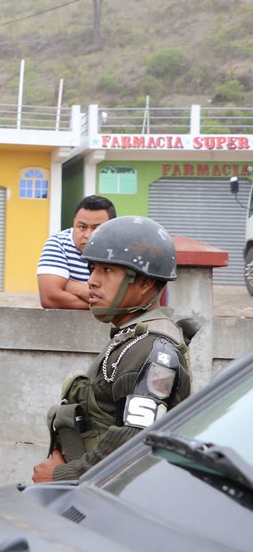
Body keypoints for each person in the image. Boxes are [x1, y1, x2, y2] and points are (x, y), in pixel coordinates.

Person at [33, 216, 194, 483]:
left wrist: (63, 475)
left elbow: (136, 440)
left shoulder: (154, 350)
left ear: (144, 283)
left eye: (107, 271)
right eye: (93, 268)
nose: (92, 281)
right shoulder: (130, 338)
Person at [37, 195, 116, 309]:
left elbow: (126, 299)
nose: (88, 235)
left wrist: (69, 285)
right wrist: (104, 306)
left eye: (96, 228)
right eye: (82, 227)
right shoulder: (59, 243)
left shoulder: (121, 248)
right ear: (74, 223)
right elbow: (50, 298)